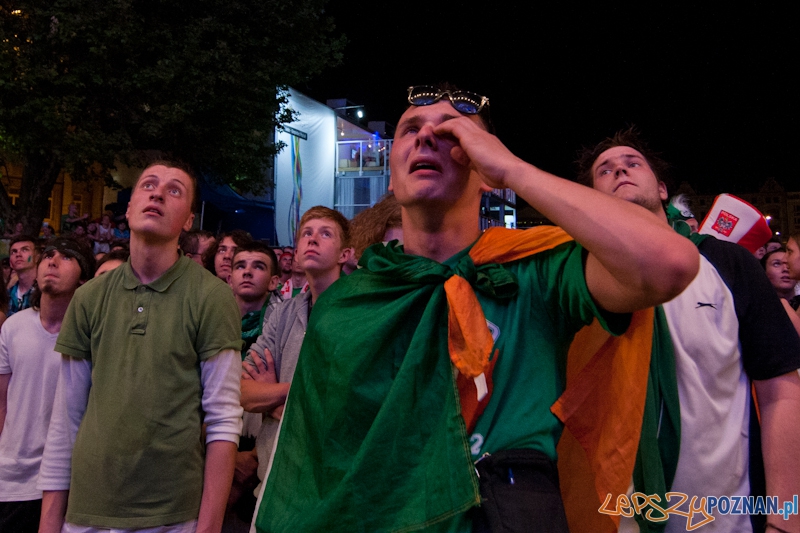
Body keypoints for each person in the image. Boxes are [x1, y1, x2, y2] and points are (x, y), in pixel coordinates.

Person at [252, 84, 698, 532]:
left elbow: (670, 263)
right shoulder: (349, 304)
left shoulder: (535, 273)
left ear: (483, 162)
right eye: (411, 130)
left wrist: (512, 169)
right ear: (391, 177)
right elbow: (314, 472)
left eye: (453, 132)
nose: (427, 137)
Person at [579, 128, 800, 533]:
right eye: (604, 171)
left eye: (632, 164)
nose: (620, 172)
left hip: (727, 517)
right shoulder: (576, 280)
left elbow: (780, 388)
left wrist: (787, 518)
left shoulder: (727, 263)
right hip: (615, 517)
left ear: (662, 189)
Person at [38, 160, 243, 533]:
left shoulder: (212, 296)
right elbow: (65, 420)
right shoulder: (88, 297)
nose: (158, 193)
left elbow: (223, 421)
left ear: (187, 221)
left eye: (174, 189)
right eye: (148, 185)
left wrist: (209, 527)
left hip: (172, 515)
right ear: (130, 207)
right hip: (86, 514)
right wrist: (50, 522)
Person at [242, 207, 351, 494]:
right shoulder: (283, 314)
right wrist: (292, 393)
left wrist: (273, 395)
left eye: (325, 234)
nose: (312, 239)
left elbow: (342, 404)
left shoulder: (357, 313)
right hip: (274, 479)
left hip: (330, 484)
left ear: (344, 254)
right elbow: (241, 392)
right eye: (306, 233)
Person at [0, 237, 94, 533]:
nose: (52, 261)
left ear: (83, 279)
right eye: (48, 255)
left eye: (66, 257)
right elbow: (2, 402)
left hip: (63, 479)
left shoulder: (89, 338)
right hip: (10, 477)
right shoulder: (13, 327)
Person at [225, 241, 281, 532]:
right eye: (240, 266)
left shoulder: (283, 329)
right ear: (228, 277)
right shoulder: (209, 324)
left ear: (274, 281)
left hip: (266, 452)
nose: (247, 272)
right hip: (212, 447)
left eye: (258, 266)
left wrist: (254, 456)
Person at [6, 235, 39, 317]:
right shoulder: (7, 294)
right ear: (10, 262)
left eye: (25, 250)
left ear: (37, 257)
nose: (18, 254)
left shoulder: (43, 292)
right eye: (14, 251)